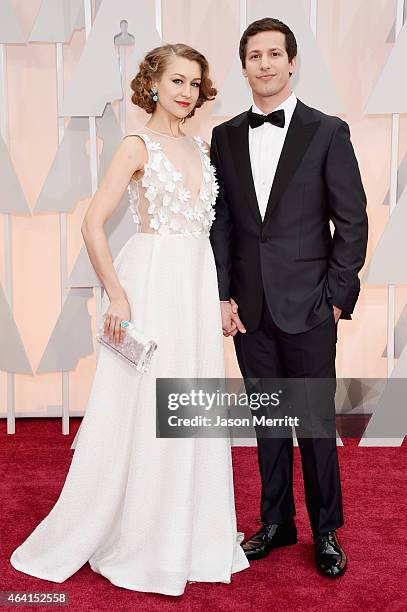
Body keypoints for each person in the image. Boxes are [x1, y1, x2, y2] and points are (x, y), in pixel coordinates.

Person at [10, 43, 249, 596]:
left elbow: (211, 232)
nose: (187, 91)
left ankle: (191, 533)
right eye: (177, 81)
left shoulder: (199, 146)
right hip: (152, 283)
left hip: (195, 283)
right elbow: (93, 224)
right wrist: (116, 296)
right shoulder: (135, 146)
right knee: (145, 405)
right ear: (154, 85)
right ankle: (143, 537)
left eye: (195, 82)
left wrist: (220, 296)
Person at [209, 18, 368, 578]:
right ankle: (276, 523)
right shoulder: (225, 135)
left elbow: (351, 220)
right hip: (249, 309)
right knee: (268, 422)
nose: (266, 64)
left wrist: (335, 298)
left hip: (310, 307)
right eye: (255, 56)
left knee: (316, 424)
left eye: (275, 53)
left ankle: (326, 530)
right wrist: (223, 294)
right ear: (244, 66)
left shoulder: (328, 131)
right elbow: (222, 222)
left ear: (292, 61)